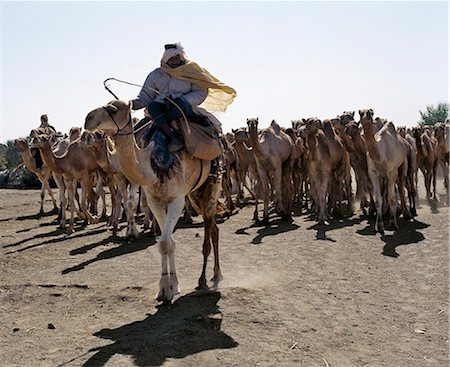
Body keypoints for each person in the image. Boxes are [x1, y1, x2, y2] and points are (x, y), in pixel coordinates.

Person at [130, 42, 236, 153]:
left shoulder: (191, 71)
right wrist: (132, 104)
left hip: (183, 107)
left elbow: (201, 91)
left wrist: (182, 100)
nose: (174, 60)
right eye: (171, 58)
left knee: (179, 106)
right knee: (152, 107)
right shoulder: (155, 75)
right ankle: (170, 135)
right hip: (160, 107)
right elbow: (146, 96)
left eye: (177, 57)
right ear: (166, 59)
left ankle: (170, 132)